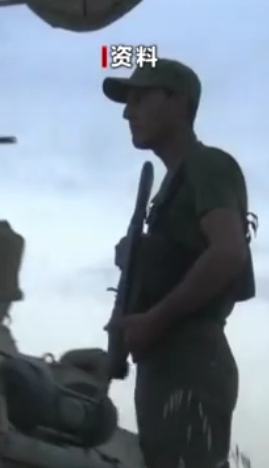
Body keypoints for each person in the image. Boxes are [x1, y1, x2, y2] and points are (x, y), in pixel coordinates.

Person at [103, 58, 255, 468]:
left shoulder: (208, 165)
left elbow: (228, 253)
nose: (127, 112)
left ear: (179, 103)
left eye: (140, 98)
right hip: (168, 364)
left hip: (190, 360)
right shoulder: (174, 184)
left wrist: (154, 320)